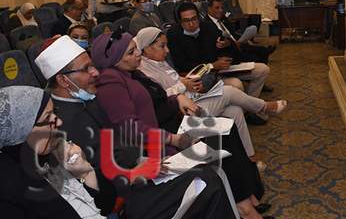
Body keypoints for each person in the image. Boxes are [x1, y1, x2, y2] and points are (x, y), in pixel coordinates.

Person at [89, 31, 271, 218]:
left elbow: (156, 100)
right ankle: (246, 209)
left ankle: (248, 202)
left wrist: (176, 99)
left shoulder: (129, 73)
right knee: (217, 148)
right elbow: (131, 128)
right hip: (154, 148)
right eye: (130, 52)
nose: (137, 53)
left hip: (164, 133)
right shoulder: (112, 83)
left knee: (226, 128)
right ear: (114, 59)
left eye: (135, 48)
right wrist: (173, 139)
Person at [0, 84, 237, 219]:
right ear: (22, 130)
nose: (58, 122)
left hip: (121, 190)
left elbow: (106, 202)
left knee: (206, 179)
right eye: (48, 118)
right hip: (126, 190)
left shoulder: (47, 151)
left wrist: (86, 173)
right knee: (205, 183)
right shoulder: (11, 186)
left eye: (55, 114)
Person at [136, 26, 286, 159]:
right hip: (180, 114)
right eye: (162, 46)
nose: (167, 50)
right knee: (228, 91)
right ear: (147, 48)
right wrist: (183, 85)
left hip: (191, 100)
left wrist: (188, 82)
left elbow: (173, 79)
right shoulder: (143, 70)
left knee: (235, 111)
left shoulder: (158, 61)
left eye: (166, 45)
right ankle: (263, 107)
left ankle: (248, 157)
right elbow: (160, 97)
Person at [167, 2, 271, 101]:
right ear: (180, 21)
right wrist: (211, 66)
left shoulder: (209, 27)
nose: (191, 24)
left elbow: (230, 50)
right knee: (236, 84)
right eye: (186, 21)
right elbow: (181, 65)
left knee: (263, 69)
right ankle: (249, 106)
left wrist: (228, 45)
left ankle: (249, 105)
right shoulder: (173, 35)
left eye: (194, 19)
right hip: (204, 76)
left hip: (223, 69)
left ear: (198, 17)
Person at [205, 0, 275, 65]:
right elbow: (216, 44)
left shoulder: (223, 18)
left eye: (222, 8)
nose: (221, 10)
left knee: (261, 51)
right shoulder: (206, 24)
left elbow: (232, 33)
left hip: (237, 44)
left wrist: (242, 40)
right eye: (217, 8)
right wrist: (233, 44)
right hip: (229, 51)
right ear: (209, 9)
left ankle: (265, 55)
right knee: (257, 58)